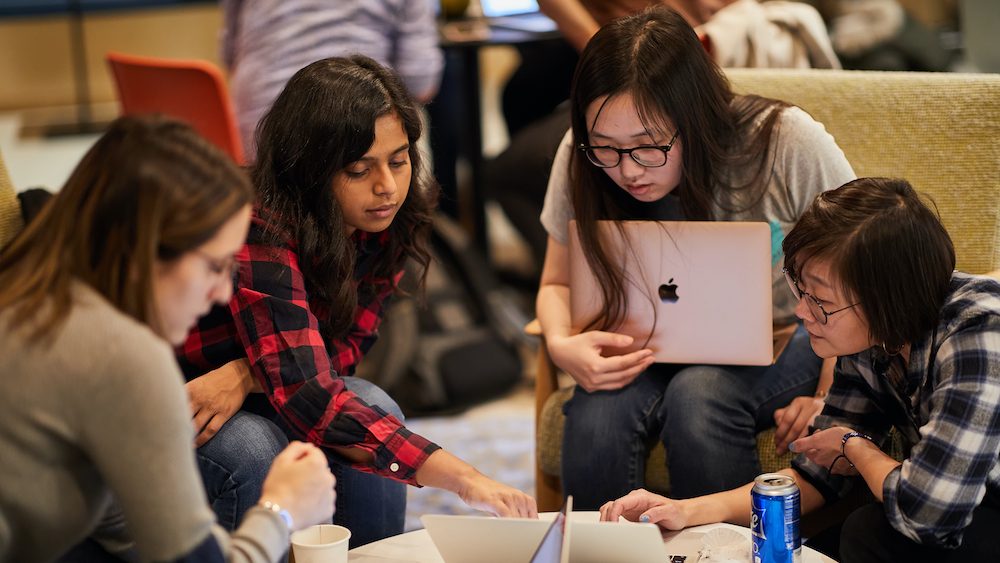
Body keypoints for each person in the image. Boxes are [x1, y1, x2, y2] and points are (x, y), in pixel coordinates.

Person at [177, 56, 537, 547]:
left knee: (373, 403)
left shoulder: (389, 219)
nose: (386, 186)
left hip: (259, 387)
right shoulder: (260, 222)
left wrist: (247, 373)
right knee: (253, 449)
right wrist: (464, 478)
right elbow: (310, 394)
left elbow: (344, 350)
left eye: (399, 159)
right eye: (358, 169)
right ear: (310, 169)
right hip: (185, 398)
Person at [535, 6, 856, 509]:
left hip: (785, 333)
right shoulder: (579, 155)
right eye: (606, 148)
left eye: (648, 146)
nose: (627, 170)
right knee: (599, 409)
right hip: (647, 339)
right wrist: (559, 343)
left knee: (699, 392)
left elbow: (859, 270)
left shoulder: (784, 141)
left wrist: (831, 397)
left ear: (695, 118)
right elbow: (555, 282)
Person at [599, 177, 1000, 562]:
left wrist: (854, 446)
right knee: (822, 546)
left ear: (886, 301)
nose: (801, 311)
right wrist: (685, 511)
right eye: (799, 290)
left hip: (975, 509)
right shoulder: (869, 336)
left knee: (866, 533)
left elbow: (928, 513)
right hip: (953, 509)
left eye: (820, 300)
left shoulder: (979, 331)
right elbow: (817, 477)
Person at [0, 115, 335, 562]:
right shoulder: (122, 353)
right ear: (146, 250)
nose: (222, 292)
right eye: (214, 266)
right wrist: (282, 510)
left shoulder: (31, 299)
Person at [220, 0, 443, 159]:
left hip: (255, 141)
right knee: (409, 125)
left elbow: (230, 56)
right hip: (357, 142)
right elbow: (420, 84)